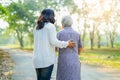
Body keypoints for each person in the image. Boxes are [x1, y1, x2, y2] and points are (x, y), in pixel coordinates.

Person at [33, 9, 75, 80]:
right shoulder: (50, 26)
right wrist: (67, 43)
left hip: (37, 60)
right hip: (46, 61)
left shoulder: (36, 27)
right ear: (51, 16)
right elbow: (54, 42)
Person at [56, 16, 82, 80]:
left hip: (63, 61)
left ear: (62, 23)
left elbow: (55, 48)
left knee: (63, 77)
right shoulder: (77, 34)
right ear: (71, 23)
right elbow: (80, 48)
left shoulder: (59, 34)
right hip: (75, 60)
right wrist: (75, 55)